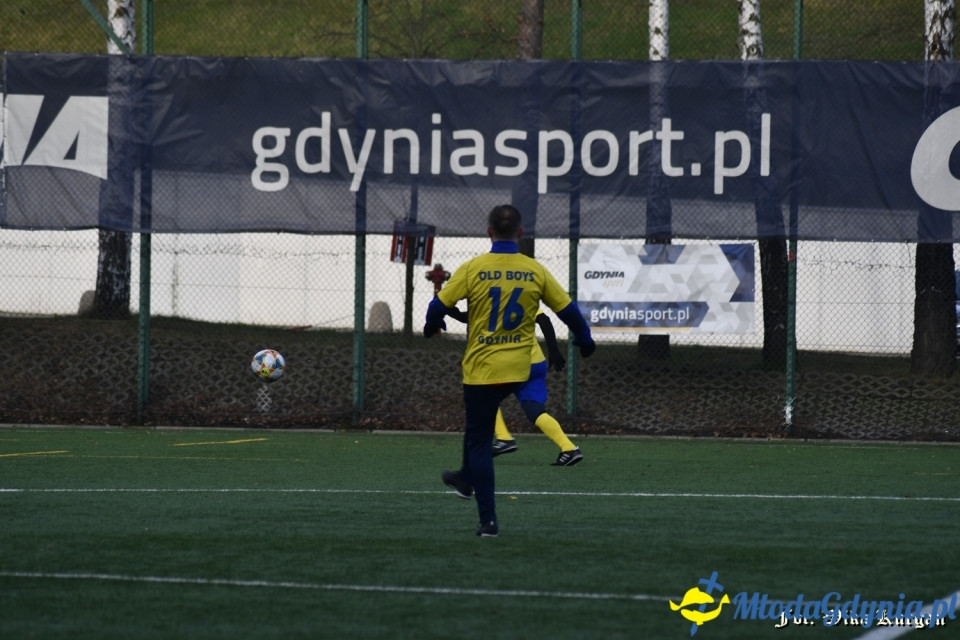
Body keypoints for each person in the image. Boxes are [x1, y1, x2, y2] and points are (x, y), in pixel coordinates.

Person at [423, 204, 595, 537]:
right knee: (480, 425)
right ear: (520, 234)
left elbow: (437, 306)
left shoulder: (473, 268)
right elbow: (567, 311)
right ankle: (463, 476)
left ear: (488, 232)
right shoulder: (535, 270)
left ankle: (488, 519)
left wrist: (433, 324)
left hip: (482, 369)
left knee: (478, 438)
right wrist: (584, 340)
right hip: (521, 367)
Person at [491, 309, 583, 467]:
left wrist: (449, 311)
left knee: (484, 398)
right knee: (535, 411)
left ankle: (503, 438)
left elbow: (470, 318)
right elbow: (544, 320)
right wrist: (553, 350)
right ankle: (569, 449)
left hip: (514, 365)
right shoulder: (524, 294)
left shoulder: (493, 297)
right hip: (536, 364)